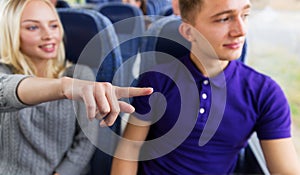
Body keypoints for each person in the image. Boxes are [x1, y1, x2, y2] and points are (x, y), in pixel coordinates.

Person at [111, 0, 300, 174]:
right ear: (188, 32)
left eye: (245, 15)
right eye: (224, 19)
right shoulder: (157, 81)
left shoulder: (265, 94)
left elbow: (285, 171)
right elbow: (130, 149)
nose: (241, 31)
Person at [0, 0, 153, 175]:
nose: (49, 35)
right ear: (10, 31)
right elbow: (4, 90)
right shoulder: (4, 73)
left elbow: (84, 145)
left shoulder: (79, 76)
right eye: (33, 27)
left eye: (54, 26)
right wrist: (62, 87)